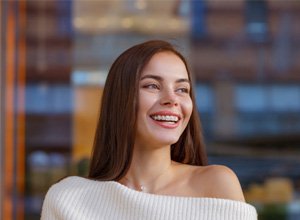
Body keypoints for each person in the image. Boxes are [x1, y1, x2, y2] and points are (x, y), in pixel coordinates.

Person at [41, 40, 257, 220]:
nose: (172, 100)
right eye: (152, 85)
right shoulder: (67, 199)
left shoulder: (217, 183)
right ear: (120, 99)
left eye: (182, 89)